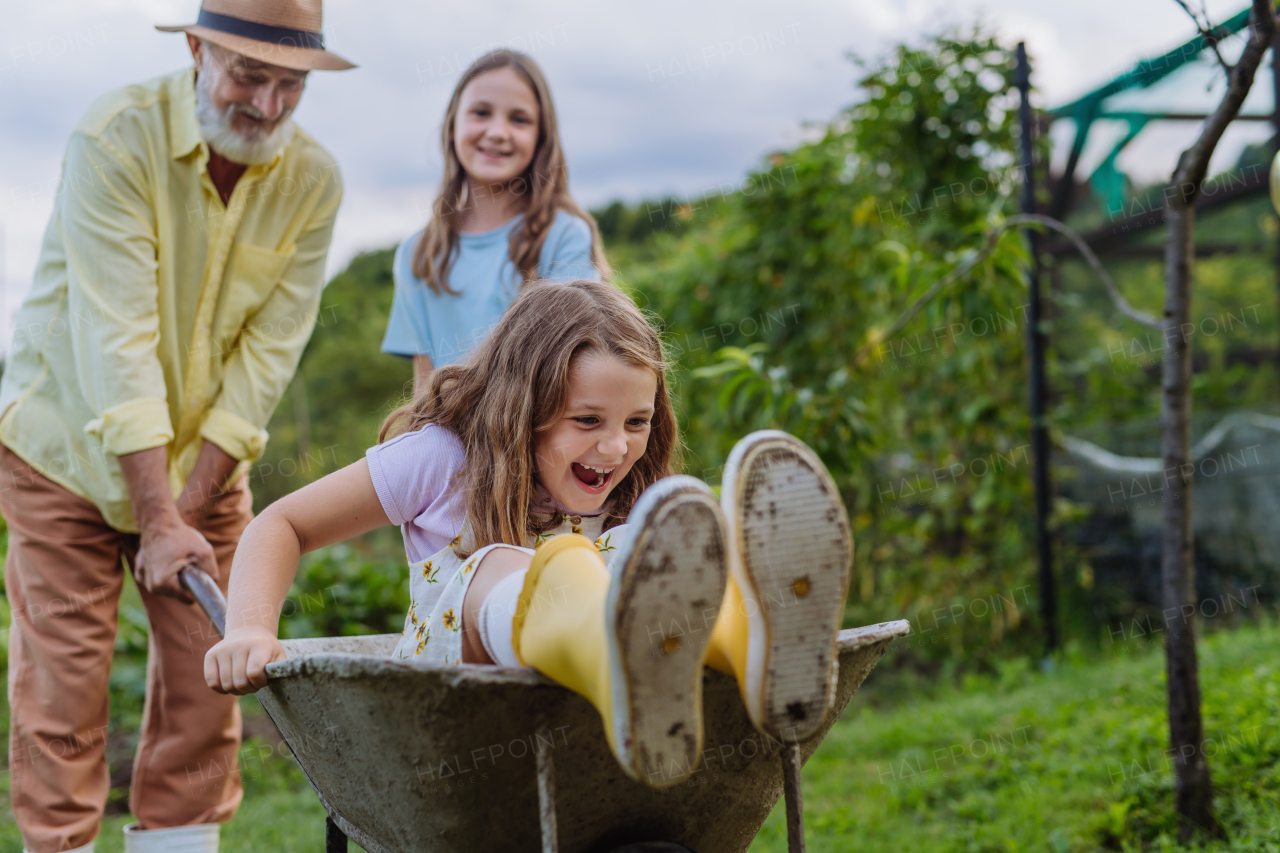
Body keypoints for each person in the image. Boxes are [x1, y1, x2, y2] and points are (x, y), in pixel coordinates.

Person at [205, 280, 854, 788]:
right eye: (587, 418)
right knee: (503, 564)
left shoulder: (624, 484)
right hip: (456, 725)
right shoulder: (443, 457)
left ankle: (754, 647)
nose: (615, 445)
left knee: (643, 545)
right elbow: (280, 522)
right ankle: (617, 662)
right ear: (522, 405)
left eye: (637, 421)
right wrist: (251, 628)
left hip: (582, 736)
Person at [0, 2, 353, 851]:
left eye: (289, 84)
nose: (266, 105)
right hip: (66, 455)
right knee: (65, 694)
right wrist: (153, 519)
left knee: (213, 686)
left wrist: (184, 511)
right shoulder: (114, 136)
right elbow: (117, 341)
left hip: (207, 467)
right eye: (247, 75)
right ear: (197, 49)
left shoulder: (315, 181)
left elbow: (267, 357)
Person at [381, 50, 608, 393]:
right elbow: (424, 388)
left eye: (519, 119)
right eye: (481, 113)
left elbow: (569, 370)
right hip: (449, 441)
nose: (498, 132)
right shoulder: (417, 253)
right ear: (452, 124)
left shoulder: (564, 237)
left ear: (541, 137)